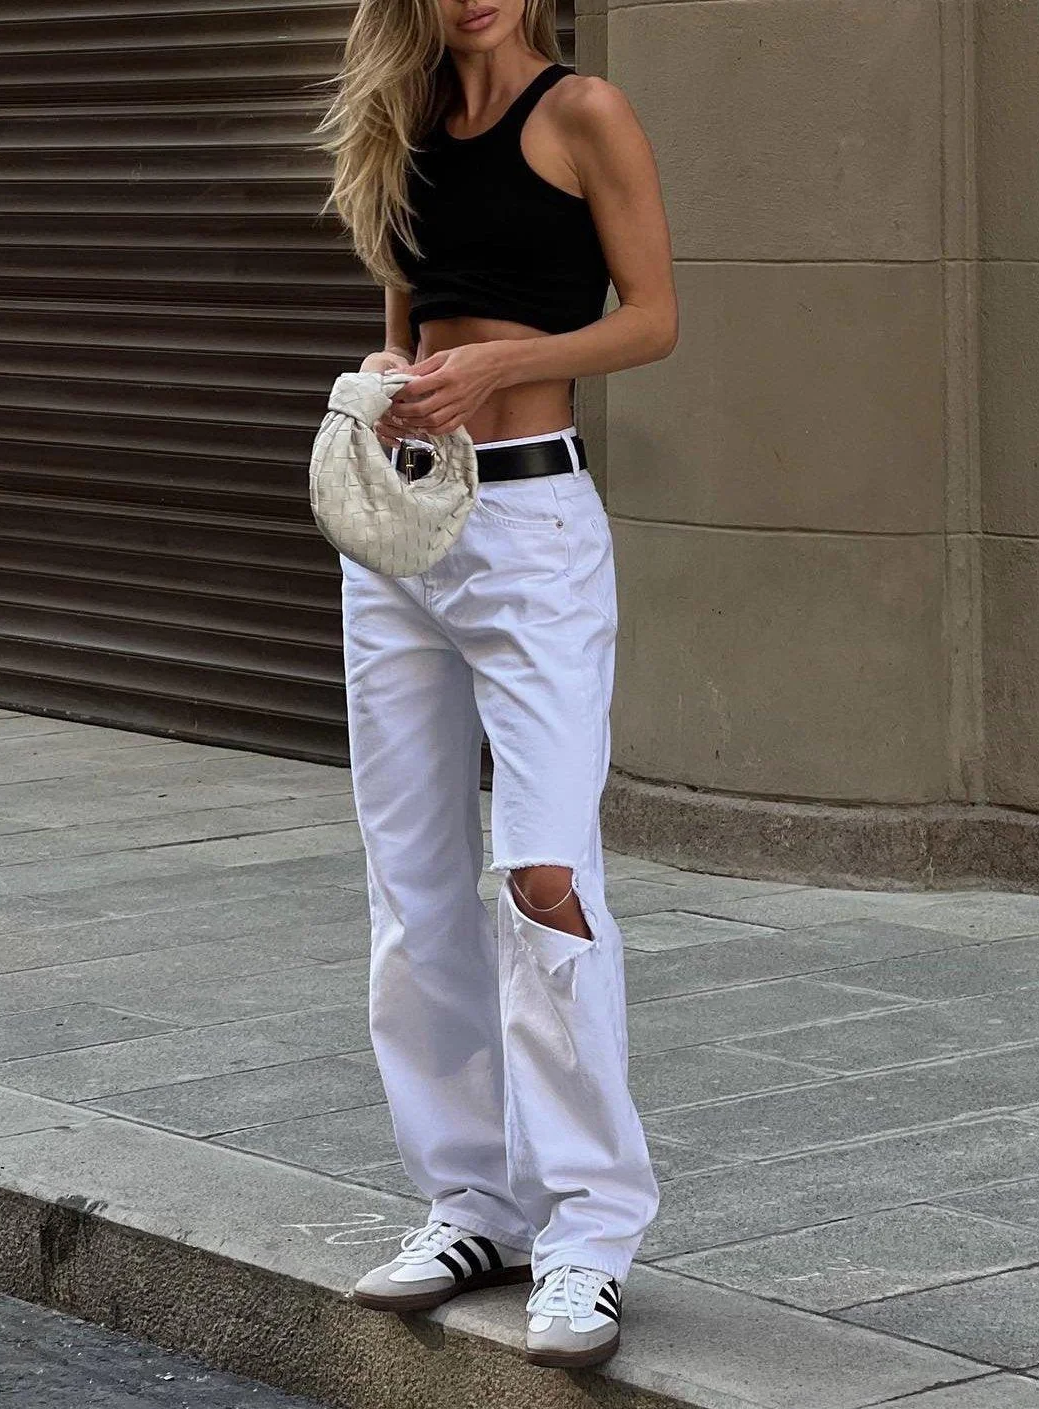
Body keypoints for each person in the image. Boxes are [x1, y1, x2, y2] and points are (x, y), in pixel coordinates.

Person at [317, 0, 677, 1370]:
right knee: (411, 883)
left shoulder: (583, 114)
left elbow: (653, 321)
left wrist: (505, 363)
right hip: (406, 529)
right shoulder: (400, 126)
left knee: (545, 877)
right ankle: (471, 1203)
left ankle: (588, 1231)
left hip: (533, 536)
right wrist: (395, 379)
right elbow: (407, 335)